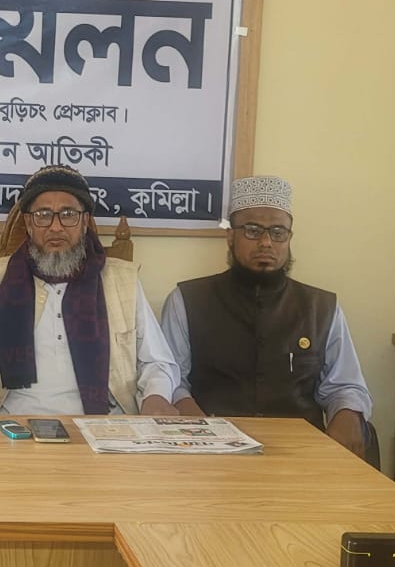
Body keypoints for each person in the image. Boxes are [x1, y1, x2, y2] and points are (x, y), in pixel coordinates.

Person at [158, 175, 373, 457]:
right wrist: (194, 420)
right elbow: (170, 380)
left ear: (289, 238)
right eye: (252, 230)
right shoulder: (186, 301)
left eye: (278, 232)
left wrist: (348, 413)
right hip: (212, 450)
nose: (266, 242)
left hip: (300, 452)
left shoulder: (321, 307)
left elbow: (345, 385)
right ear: (230, 236)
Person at [0, 165, 178, 416]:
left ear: (84, 222)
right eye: (43, 215)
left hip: (104, 424)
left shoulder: (123, 280)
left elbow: (157, 361)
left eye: (68, 214)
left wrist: (156, 396)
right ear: (28, 223)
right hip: (12, 423)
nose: (56, 227)